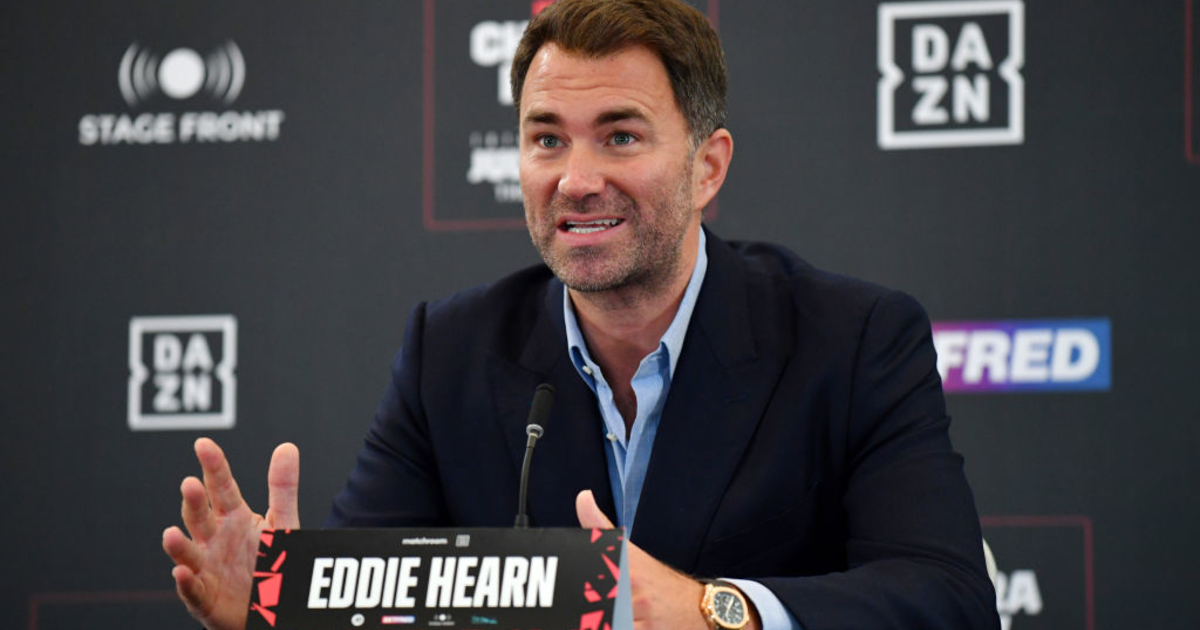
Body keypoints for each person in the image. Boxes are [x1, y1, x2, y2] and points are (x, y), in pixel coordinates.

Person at [162, 1, 999, 629]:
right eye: (547, 139)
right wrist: (288, 607)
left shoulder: (854, 340)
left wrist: (714, 611)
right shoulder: (447, 353)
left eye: (620, 136)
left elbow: (950, 599)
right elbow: (385, 604)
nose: (577, 179)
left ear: (707, 167)